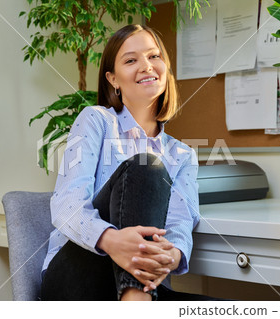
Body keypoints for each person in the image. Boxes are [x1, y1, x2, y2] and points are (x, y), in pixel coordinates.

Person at [40, 24, 213, 301]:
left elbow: (181, 222)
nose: (146, 66)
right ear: (113, 79)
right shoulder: (95, 120)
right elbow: (66, 206)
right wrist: (111, 240)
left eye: (154, 56)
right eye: (131, 60)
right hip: (75, 282)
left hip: (139, 284)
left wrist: (174, 253)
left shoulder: (183, 155)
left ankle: (135, 301)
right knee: (146, 165)